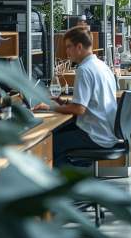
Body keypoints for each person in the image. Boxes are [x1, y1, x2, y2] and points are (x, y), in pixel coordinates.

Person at [35, 26, 119, 167]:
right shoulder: (101, 65)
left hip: (95, 135)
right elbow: (91, 101)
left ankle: (60, 184)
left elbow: (79, 109)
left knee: (46, 144)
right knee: (58, 133)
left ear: (79, 47)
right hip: (106, 131)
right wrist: (64, 102)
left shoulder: (84, 70)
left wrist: (50, 108)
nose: (67, 52)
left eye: (68, 47)